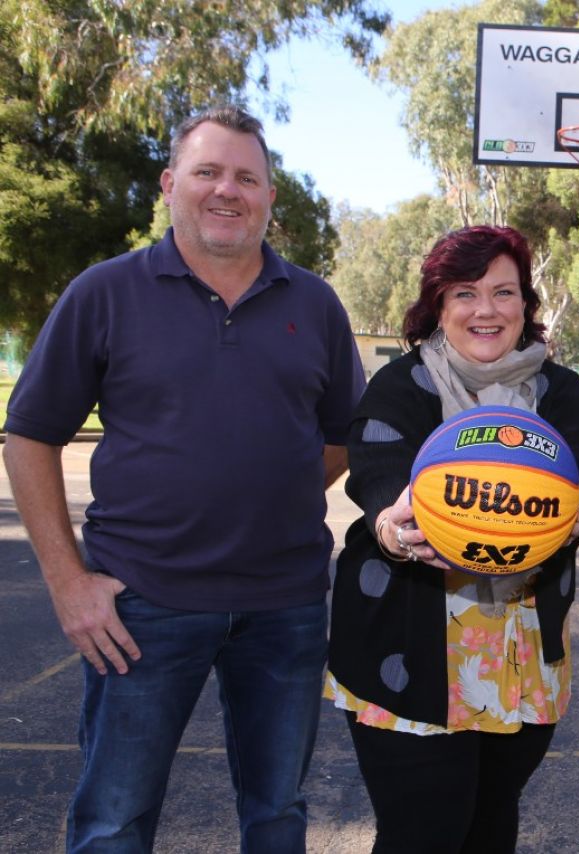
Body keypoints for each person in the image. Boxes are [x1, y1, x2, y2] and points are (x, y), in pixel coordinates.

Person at [2, 105, 365, 852]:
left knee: (277, 814)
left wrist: (268, 496)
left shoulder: (316, 304)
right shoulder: (104, 292)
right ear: (170, 184)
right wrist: (69, 581)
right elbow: (30, 436)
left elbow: (340, 437)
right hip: (141, 606)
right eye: (207, 172)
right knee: (114, 820)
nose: (226, 190)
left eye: (246, 177)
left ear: (270, 197)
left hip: (286, 606)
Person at [325, 225, 579, 854]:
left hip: (520, 656)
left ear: (525, 306)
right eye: (465, 293)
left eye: (503, 292)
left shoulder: (557, 390)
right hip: (408, 649)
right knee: (423, 834)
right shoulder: (404, 384)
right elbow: (375, 462)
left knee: (490, 826)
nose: (486, 310)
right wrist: (392, 524)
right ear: (439, 305)